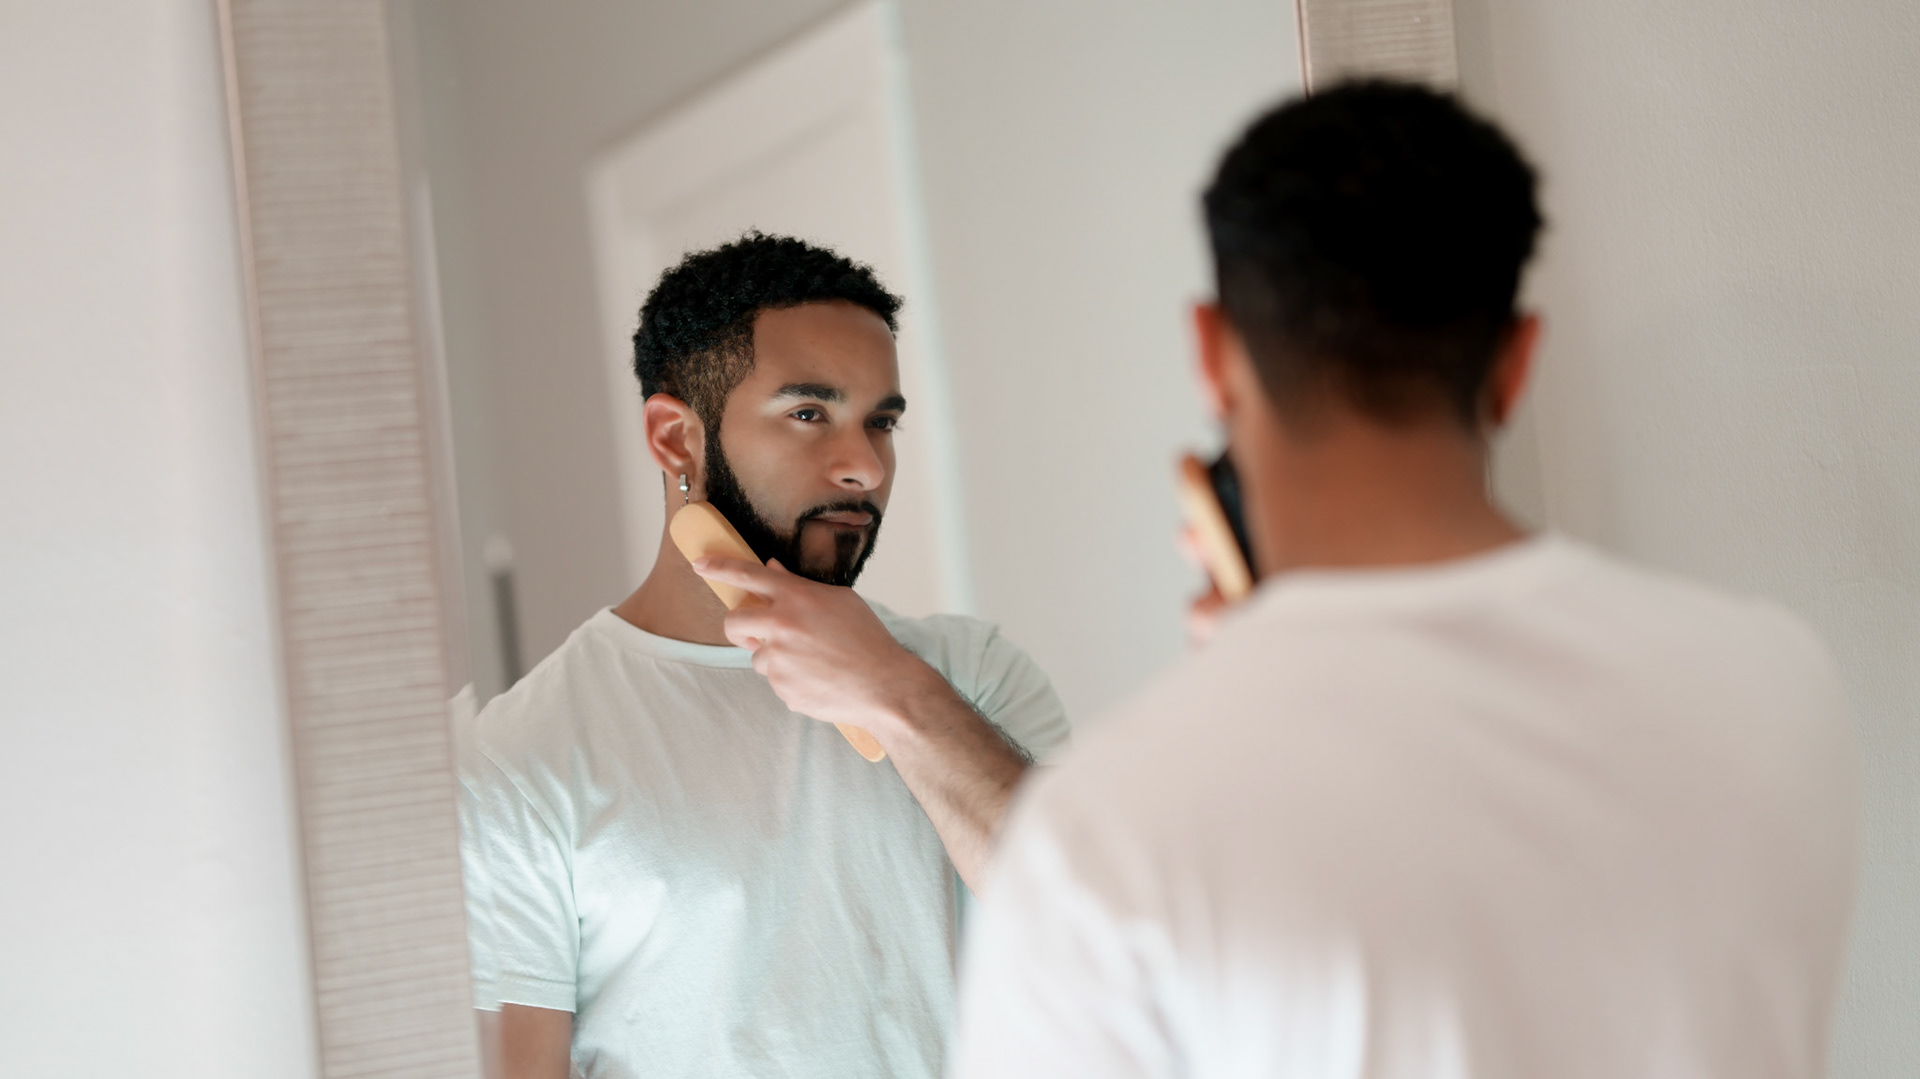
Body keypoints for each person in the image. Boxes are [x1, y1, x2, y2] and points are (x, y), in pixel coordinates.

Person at [949, 82, 1856, 1078]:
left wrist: (1242, 702)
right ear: (1516, 363)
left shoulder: (1104, 829)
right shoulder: (1776, 680)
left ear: (1211, 354)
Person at [460, 233, 1069, 1079]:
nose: (865, 467)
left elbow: (1089, 935)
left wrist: (895, 691)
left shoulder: (974, 674)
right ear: (676, 437)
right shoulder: (524, 753)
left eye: (882, 422)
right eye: (809, 413)